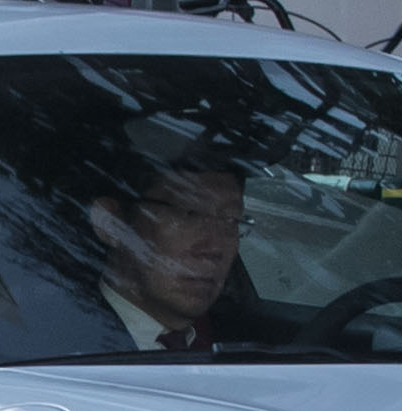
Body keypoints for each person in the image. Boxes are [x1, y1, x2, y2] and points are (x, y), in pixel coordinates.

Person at [81, 141, 292, 352]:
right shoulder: (60, 342)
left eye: (232, 221)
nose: (214, 249)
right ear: (112, 223)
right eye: (189, 214)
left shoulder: (244, 349)